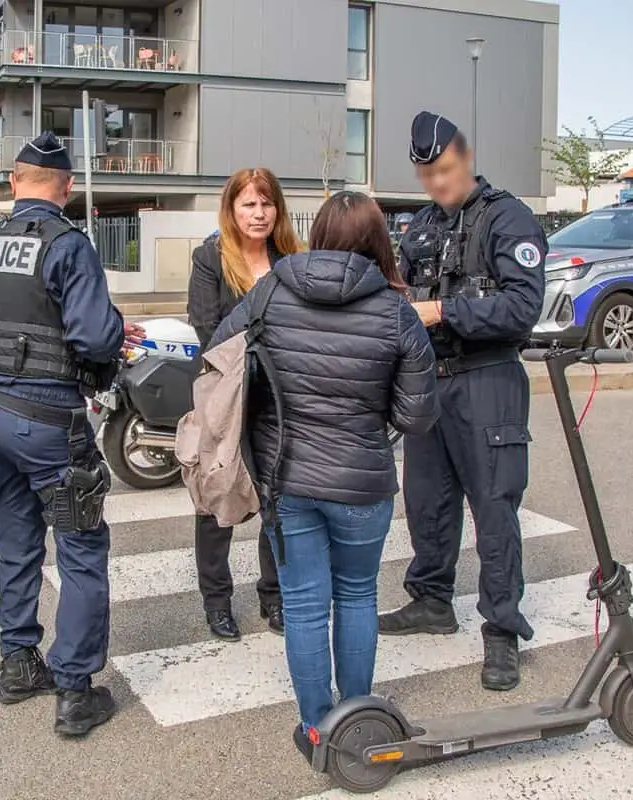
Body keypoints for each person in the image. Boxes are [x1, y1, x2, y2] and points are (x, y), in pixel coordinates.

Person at [209, 191, 438, 758]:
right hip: (362, 479)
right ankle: (355, 722)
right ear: (379, 241)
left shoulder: (272, 289)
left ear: (319, 236)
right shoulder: (394, 310)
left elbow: (219, 356)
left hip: (285, 477)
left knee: (305, 603)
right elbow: (416, 415)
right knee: (357, 595)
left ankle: (316, 730)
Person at [0, 132, 141, 736]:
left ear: (14, 183)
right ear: (66, 189)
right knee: (81, 549)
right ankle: (75, 690)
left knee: (16, 544)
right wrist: (117, 327)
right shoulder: (69, 244)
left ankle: (18, 663)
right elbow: (93, 339)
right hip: (47, 423)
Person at [377, 111, 547, 692]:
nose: (437, 185)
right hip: (431, 382)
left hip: (487, 379)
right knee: (427, 501)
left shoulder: (508, 218)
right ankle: (431, 599)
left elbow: (523, 308)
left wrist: (447, 311)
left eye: (445, 171)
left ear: (466, 159)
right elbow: (401, 295)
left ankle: (501, 630)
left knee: (494, 509)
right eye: (427, 175)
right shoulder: (421, 226)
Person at [186, 167, 303, 641]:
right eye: (248, 204)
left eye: (267, 203)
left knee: (279, 504)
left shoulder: (292, 258)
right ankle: (217, 602)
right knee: (217, 502)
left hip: (281, 401)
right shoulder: (211, 258)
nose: (259, 214)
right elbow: (206, 327)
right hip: (227, 399)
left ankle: (273, 596)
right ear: (232, 210)